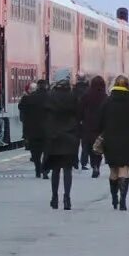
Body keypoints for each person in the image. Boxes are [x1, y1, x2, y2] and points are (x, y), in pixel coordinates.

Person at [96, 75, 129, 210]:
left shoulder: (107, 102)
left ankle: (114, 198)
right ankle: (123, 200)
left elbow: (99, 122)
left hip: (110, 139)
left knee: (113, 170)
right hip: (128, 139)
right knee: (124, 169)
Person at [41, 68, 80, 209]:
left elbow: (45, 116)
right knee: (68, 170)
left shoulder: (50, 96)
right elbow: (78, 115)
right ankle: (67, 198)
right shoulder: (73, 96)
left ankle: (54, 198)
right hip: (70, 137)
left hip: (54, 137)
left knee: (56, 170)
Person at [77, 75, 108, 178]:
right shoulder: (105, 96)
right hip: (100, 126)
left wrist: (80, 120)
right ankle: (97, 166)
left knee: (90, 148)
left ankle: (93, 165)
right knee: (98, 147)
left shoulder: (86, 95)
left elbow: (80, 110)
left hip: (88, 125)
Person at [18, 80, 49, 179]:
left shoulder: (28, 98)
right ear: (46, 86)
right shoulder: (52, 98)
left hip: (32, 131)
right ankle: (45, 169)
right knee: (47, 151)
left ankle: (38, 169)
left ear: (37, 87)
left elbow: (21, 107)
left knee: (35, 153)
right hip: (48, 131)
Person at [72, 74, 90, 168]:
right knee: (85, 144)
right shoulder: (88, 91)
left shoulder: (73, 91)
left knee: (75, 143)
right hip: (86, 121)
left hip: (74, 120)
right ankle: (84, 163)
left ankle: (75, 162)